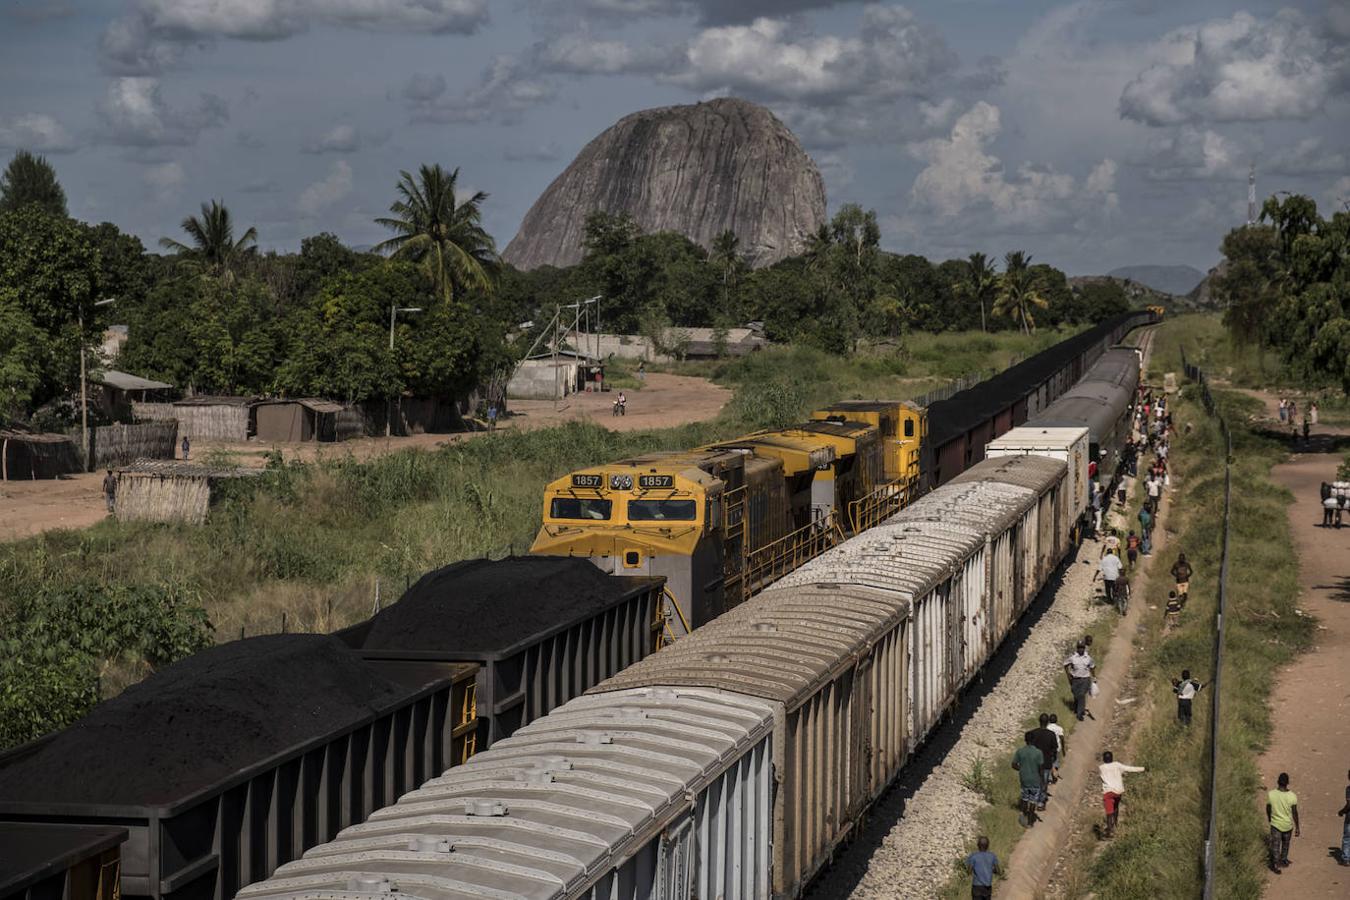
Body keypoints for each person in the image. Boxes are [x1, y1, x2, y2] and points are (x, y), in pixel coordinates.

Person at [1099, 750, 1145, 838]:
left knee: (1109, 812)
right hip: (1118, 791)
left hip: (1108, 792)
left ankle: (1110, 830)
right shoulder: (1117, 765)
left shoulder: (1101, 767)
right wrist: (1143, 769)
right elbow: (1130, 769)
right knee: (1116, 808)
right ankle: (1115, 824)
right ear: (1112, 758)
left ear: (1103, 759)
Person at [1266, 772, 1300, 873]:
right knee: (1286, 843)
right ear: (1287, 783)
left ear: (1278, 782)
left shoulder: (1271, 794)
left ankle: (1276, 864)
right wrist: (1297, 827)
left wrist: (1269, 818)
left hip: (1276, 824)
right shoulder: (1292, 796)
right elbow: (1295, 813)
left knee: (1275, 845)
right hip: (1287, 825)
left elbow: (1268, 808)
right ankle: (1284, 859)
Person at [1013, 731, 1045, 827]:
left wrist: (1021, 769)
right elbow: (1041, 768)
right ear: (1034, 740)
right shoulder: (1038, 753)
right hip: (1035, 780)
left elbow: (1013, 764)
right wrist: (1042, 781)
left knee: (1024, 799)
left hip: (1024, 779)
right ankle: (1030, 821)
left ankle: (1023, 816)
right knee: (1033, 801)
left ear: (1025, 740)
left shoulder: (1020, 751)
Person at [1030, 714, 1058, 810]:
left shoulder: (1033, 733)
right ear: (1047, 723)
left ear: (1039, 721)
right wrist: (1053, 759)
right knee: (1044, 782)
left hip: (1034, 762)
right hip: (1046, 762)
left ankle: (1033, 799)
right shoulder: (1051, 734)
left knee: (1034, 781)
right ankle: (1041, 802)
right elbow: (1055, 748)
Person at [1065, 642, 1095, 721]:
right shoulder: (1072, 658)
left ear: (1084, 648)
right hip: (1075, 680)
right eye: (1079, 647)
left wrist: (1094, 676)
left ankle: (1079, 714)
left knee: (1081, 695)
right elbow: (1065, 665)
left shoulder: (1088, 658)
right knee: (1076, 694)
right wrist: (1068, 675)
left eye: (1082, 647)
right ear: (1077, 648)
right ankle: (1077, 707)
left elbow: (1092, 667)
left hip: (1085, 679)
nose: (1081, 649)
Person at [1047, 713, 1066, 782]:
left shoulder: (1047, 728)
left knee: (1049, 762)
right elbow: (1062, 739)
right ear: (1056, 720)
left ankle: (1049, 778)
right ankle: (1054, 774)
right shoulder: (1059, 728)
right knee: (1055, 762)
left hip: (1048, 748)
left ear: (1049, 720)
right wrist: (1063, 749)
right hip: (1057, 748)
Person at [1337, 768, 1349, 866]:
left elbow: (1349, 805)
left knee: (1347, 838)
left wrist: (1341, 812)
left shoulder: (1349, 789)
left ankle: (1345, 858)